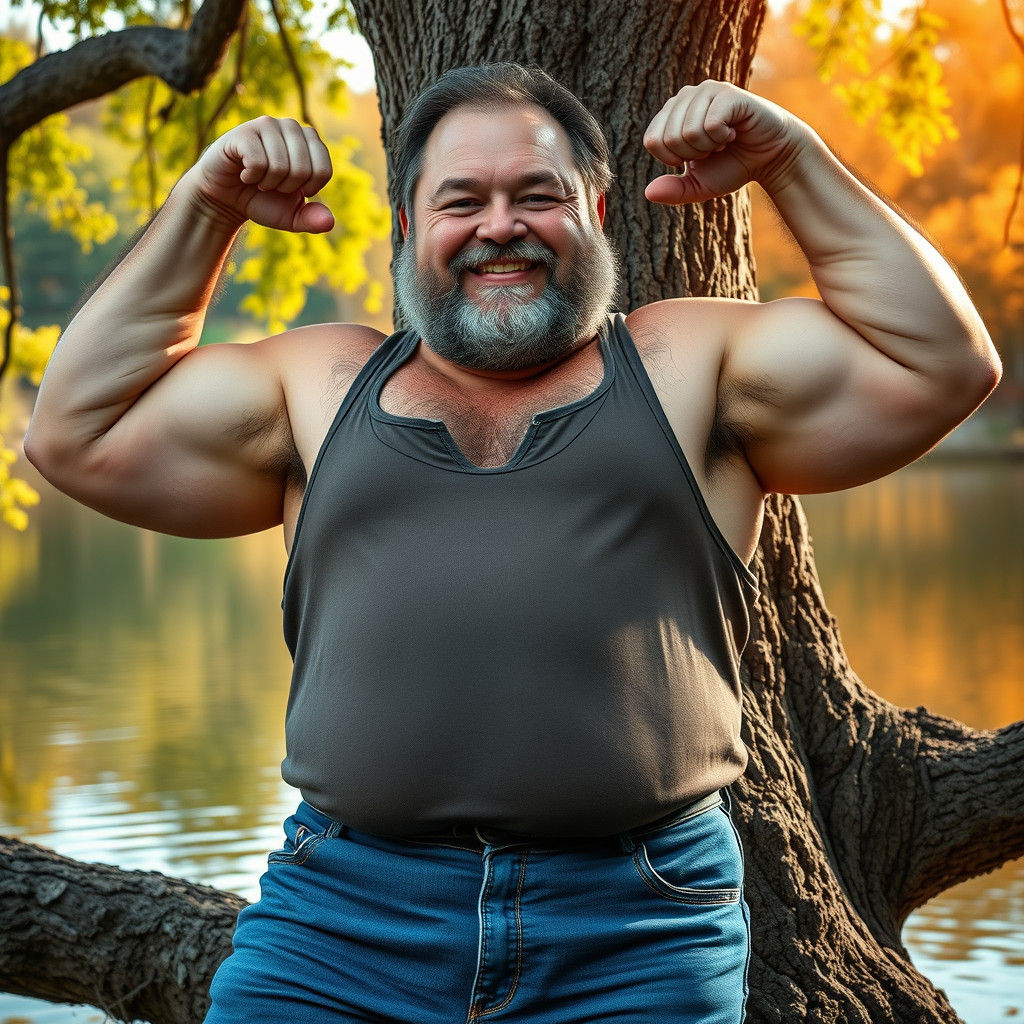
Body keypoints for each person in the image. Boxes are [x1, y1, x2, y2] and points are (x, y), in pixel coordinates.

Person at [24, 63, 999, 1024]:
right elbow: (75, 433)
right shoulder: (317, 381)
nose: (499, 224)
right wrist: (208, 205)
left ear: (598, 218)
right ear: (409, 227)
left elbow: (939, 363)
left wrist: (792, 156)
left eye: (538, 194)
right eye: (462, 199)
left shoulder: (689, 362)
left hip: (635, 928)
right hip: (341, 924)